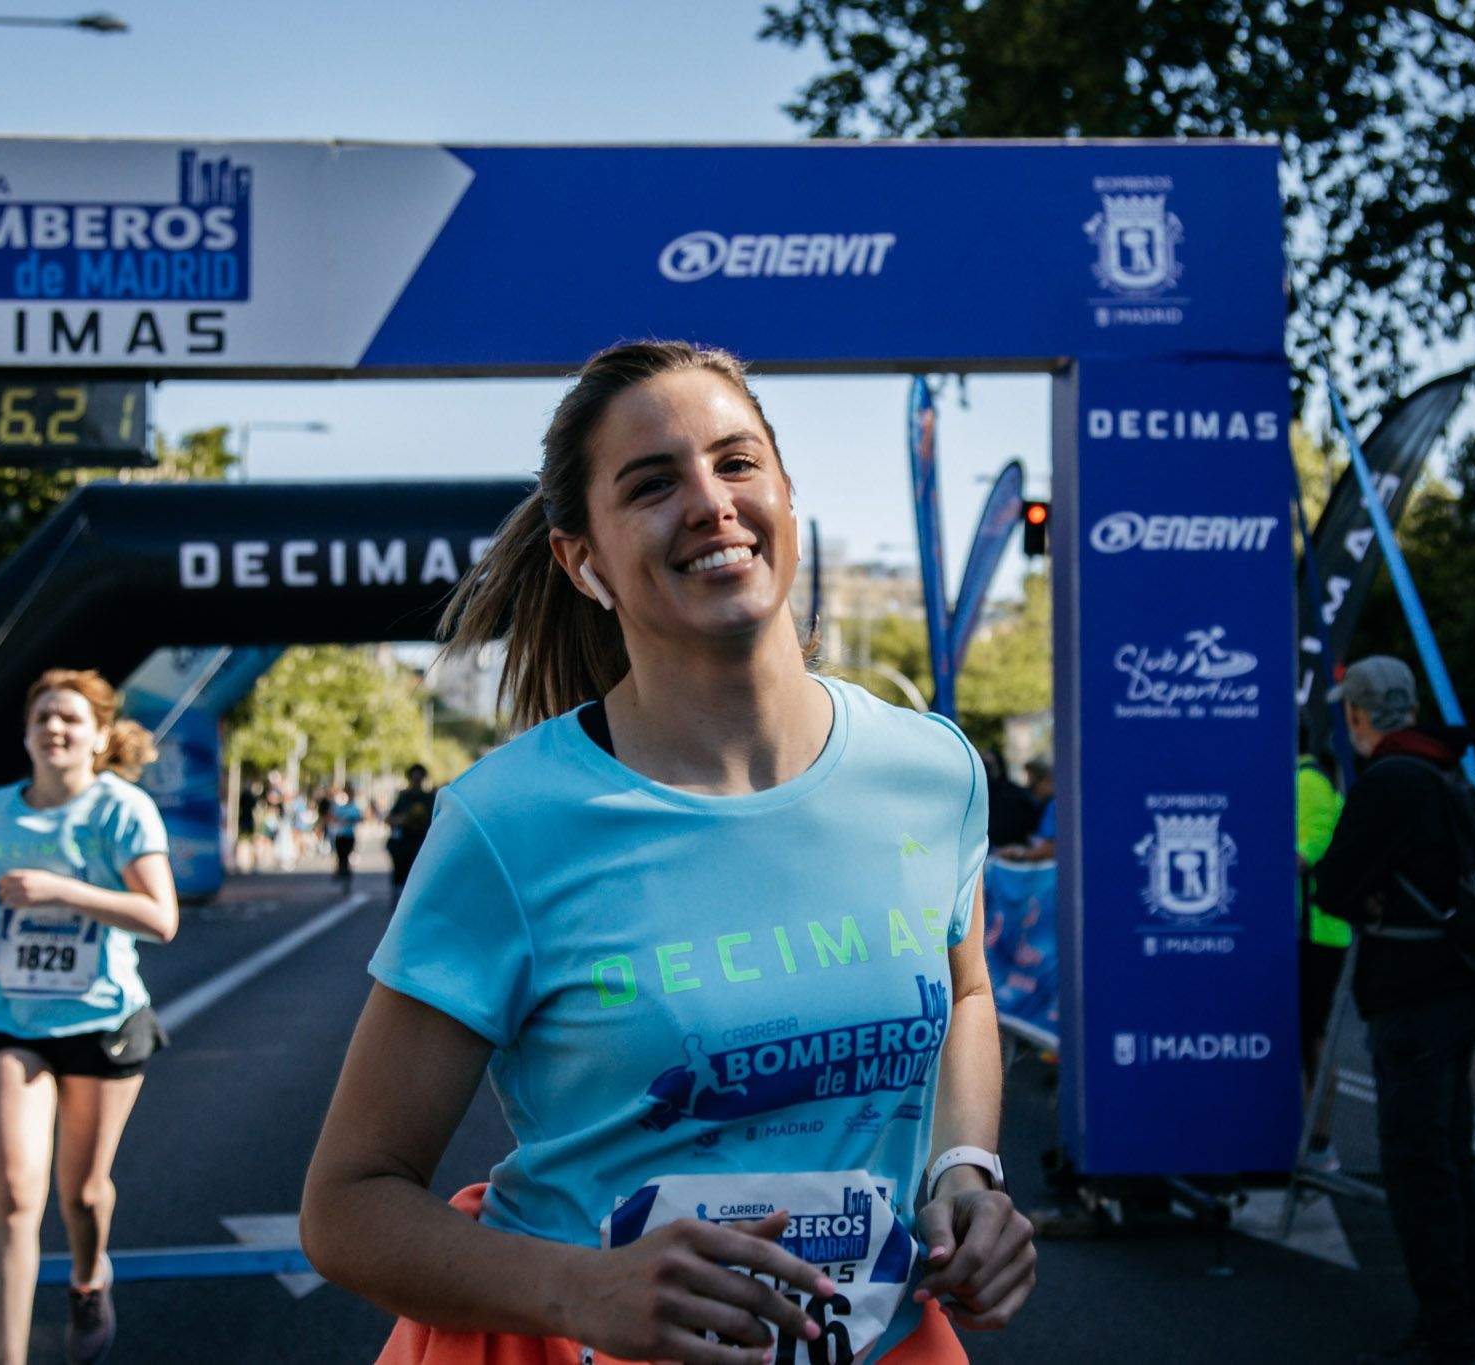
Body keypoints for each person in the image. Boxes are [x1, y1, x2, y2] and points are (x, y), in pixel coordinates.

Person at [302, 341, 1035, 1363]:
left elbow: (964, 993)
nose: (709, 502)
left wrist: (963, 1170)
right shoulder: (509, 823)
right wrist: (578, 1291)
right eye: (652, 484)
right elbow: (346, 1206)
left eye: (736, 463)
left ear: (785, 494)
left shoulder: (931, 769)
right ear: (582, 561)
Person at [0, 669, 178, 1365]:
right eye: (42, 715)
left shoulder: (123, 810)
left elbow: (161, 917)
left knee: (81, 1194)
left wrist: (61, 891)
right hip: (6, 1018)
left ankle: (87, 1278)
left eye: (71, 718)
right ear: (26, 733)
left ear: (100, 736)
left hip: (101, 1020)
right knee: (16, 1193)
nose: (54, 727)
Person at [1312, 656, 1475, 1364]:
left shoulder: (1389, 780)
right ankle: (1472, 1317)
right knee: (1450, 1158)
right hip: (1461, 985)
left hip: (1411, 995)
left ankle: (1446, 1328)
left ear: (1358, 713)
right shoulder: (1447, 770)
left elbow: (1334, 884)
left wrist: (1367, 893)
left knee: (1417, 1166)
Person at [1295, 740, 1347, 1172]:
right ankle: (1310, 1139)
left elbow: (1310, 847)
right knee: (1302, 1037)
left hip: (1316, 931)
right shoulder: (1300, 778)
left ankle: (1319, 1143)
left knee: (1311, 1038)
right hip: (1305, 931)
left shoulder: (1308, 780)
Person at [385, 763, 436, 902]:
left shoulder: (429, 798)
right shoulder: (403, 797)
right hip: (404, 842)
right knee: (400, 870)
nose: (416, 780)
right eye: (414, 777)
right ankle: (398, 895)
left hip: (422, 841)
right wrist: (403, 820)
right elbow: (390, 819)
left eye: (419, 777)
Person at [325, 786, 362, 888]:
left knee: (346, 856)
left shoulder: (354, 807)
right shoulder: (339, 806)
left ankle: (346, 877)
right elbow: (332, 817)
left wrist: (349, 820)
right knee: (341, 857)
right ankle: (342, 873)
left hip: (349, 836)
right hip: (340, 835)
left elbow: (359, 818)